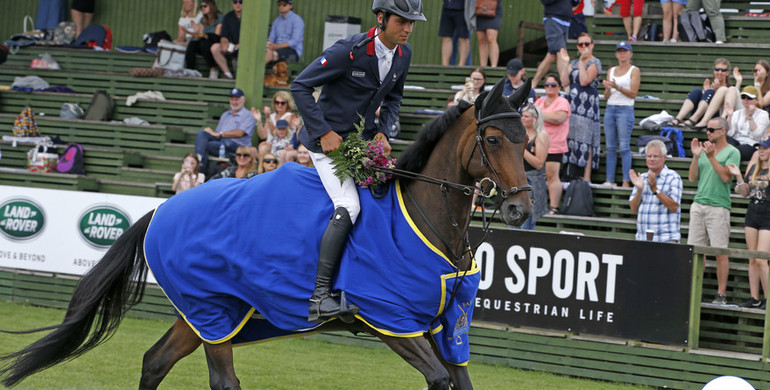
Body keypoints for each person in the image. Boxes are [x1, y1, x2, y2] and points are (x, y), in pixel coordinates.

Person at [290, 0, 424, 323]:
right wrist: (322, 132)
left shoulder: (403, 56)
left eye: (412, 23)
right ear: (381, 18)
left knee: (387, 199)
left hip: (361, 144)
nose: (407, 29)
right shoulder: (348, 51)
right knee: (349, 205)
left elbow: (394, 98)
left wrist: (386, 133)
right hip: (327, 146)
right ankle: (320, 297)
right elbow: (300, 86)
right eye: (401, 21)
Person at [688, 116, 741, 305]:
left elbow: (726, 178)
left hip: (718, 206)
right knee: (695, 252)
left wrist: (710, 157)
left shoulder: (733, 152)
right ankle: (694, 290)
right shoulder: (705, 150)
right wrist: (696, 156)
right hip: (699, 203)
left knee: (720, 251)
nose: (708, 133)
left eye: (712, 130)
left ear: (723, 131)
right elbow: (693, 178)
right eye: (707, 130)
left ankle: (721, 294)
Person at [727, 136, 770, 308]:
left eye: (765, 148)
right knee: (752, 258)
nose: (761, 151)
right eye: (759, 147)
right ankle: (754, 298)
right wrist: (738, 177)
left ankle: (768, 297)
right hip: (753, 213)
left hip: (768, 215)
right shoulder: (754, 168)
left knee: (761, 259)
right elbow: (744, 193)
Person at [559, 32, 601, 182]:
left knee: (586, 139)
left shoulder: (595, 62)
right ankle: (569, 173)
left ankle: (587, 177)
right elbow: (564, 82)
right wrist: (565, 63)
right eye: (580, 44)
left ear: (592, 45)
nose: (583, 47)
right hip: (572, 102)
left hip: (587, 104)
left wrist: (583, 62)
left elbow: (584, 81)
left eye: (586, 44)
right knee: (570, 136)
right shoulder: (574, 62)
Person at [602, 40, 640, 187]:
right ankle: (609, 179)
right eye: (619, 51)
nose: (622, 53)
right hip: (611, 107)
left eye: (625, 51)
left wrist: (616, 86)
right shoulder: (611, 70)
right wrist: (608, 88)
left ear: (630, 54)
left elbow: (633, 94)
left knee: (624, 146)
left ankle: (625, 180)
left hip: (625, 109)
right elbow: (606, 95)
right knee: (610, 146)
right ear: (616, 54)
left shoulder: (634, 70)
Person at [628, 139, 682, 242]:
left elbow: (674, 206)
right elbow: (634, 209)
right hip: (642, 239)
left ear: (664, 158)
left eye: (655, 156)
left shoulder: (673, 177)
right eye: (649, 156)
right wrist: (639, 190)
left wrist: (655, 189)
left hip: (666, 240)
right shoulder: (642, 178)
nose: (651, 159)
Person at [194, 88, 257, 173]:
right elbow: (216, 134)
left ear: (243, 100)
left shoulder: (248, 115)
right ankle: (199, 165)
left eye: (237, 99)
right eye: (232, 99)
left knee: (223, 143)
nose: (234, 102)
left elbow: (240, 133)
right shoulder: (226, 114)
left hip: (237, 146)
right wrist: (210, 132)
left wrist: (219, 134)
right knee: (202, 134)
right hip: (221, 144)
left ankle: (198, 170)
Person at [534, 74, 571, 214]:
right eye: (547, 85)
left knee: (551, 175)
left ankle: (553, 207)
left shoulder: (562, 101)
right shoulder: (540, 101)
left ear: (559, 87)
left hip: (554, 143)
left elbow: (558, 118)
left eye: (553, 85)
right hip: (537, 143)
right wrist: (539, 115)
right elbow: (529, 117)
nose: (550, 87)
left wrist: (539, 114)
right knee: (534, 175)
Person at [669, 58, 737, 129]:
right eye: (717, 69)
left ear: (727, 73)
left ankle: (692, 120)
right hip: (701, 114)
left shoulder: (729, 89)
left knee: (710, 92)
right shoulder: (710, 87)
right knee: (696, 91)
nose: (719, 72)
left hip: (714, 117)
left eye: (723, 70)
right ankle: (677, 119)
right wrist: (705, 92)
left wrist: (714, 91)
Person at [532, 0, 579, 88]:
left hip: (565, 22)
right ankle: (566, 88)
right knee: (561, 52)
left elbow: (575, 3)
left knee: (551, 55)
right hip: (553, 20)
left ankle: (533, 84)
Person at [519, 104, 550, 229]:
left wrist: (522, 149)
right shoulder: (519, 134)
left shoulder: (541, 136)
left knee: (526, 225)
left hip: (532, 182)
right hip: (518, 180)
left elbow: (539, 163)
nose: (523, 118)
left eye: (526, 116)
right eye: (522, 115)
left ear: (535, 119)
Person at [726, 86, 770, 161]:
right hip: (736, 143)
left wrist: (750, 117)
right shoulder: (736, 113)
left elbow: (757, 135)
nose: (746, 100)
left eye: (749, 98)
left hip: (751, 145)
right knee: (724, 138)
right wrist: (729, 116)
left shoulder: (763, 114)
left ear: (756, 100)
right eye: (743, 97)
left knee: (742, 149)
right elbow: (730, 134)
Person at [254, 90, 300, 158]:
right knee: (262, 148)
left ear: (288, 104)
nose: (279, 105)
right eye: (277, 102)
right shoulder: (272, 116)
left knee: (265, 148)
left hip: (285, 145)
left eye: (283, 103)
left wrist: (268, 118)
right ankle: (262, 168)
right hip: (271, 144)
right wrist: (259, 121)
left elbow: (276, 133)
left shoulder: (289, 116)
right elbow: (263, 136)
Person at [184, 0, 224, 78]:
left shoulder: (220, 17)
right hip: (204, 42)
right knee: (192, 44)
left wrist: (204, 35)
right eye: (201, 6)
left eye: (205, 6)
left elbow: (217, 36)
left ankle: (213, 69)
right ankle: (190, 70)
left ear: (211, 6)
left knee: (204, 44)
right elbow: (200, 35)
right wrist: (196, 31)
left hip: (215, 42)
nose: (203, 8)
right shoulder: (203, 19)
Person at [210, 0, 242, 79]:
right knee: (215, 48)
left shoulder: (250, 16)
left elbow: (251, 38)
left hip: (245, 48)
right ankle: (227, 74)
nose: (237, 4)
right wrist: (224, 43)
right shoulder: (228, 16)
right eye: (235, 2)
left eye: (241, 2)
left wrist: (238, 46)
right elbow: (224, 35)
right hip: (231, 47)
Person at [266, 0, 304, 64]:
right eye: (279, 4)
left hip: (292, 51)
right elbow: (271, 38)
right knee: (261, 52)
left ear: (290, 6)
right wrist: (268, 45)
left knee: (269, 54)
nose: (281, 6)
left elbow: (294, 42)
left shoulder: (297, 20)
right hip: (276, 49)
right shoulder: (276, 21)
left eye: (284, 4)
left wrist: (275, 46)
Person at [438, 0, 470, 66]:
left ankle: (461, 66)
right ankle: (445, 66)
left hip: (463, 8)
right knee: (445, 37)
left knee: (463, 37)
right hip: (447, 7)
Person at [475, 0, 502, 67]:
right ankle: (483, 66)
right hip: (480, 7)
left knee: (491, 37)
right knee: (481, 39)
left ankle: (494, 66)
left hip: (493, 7)